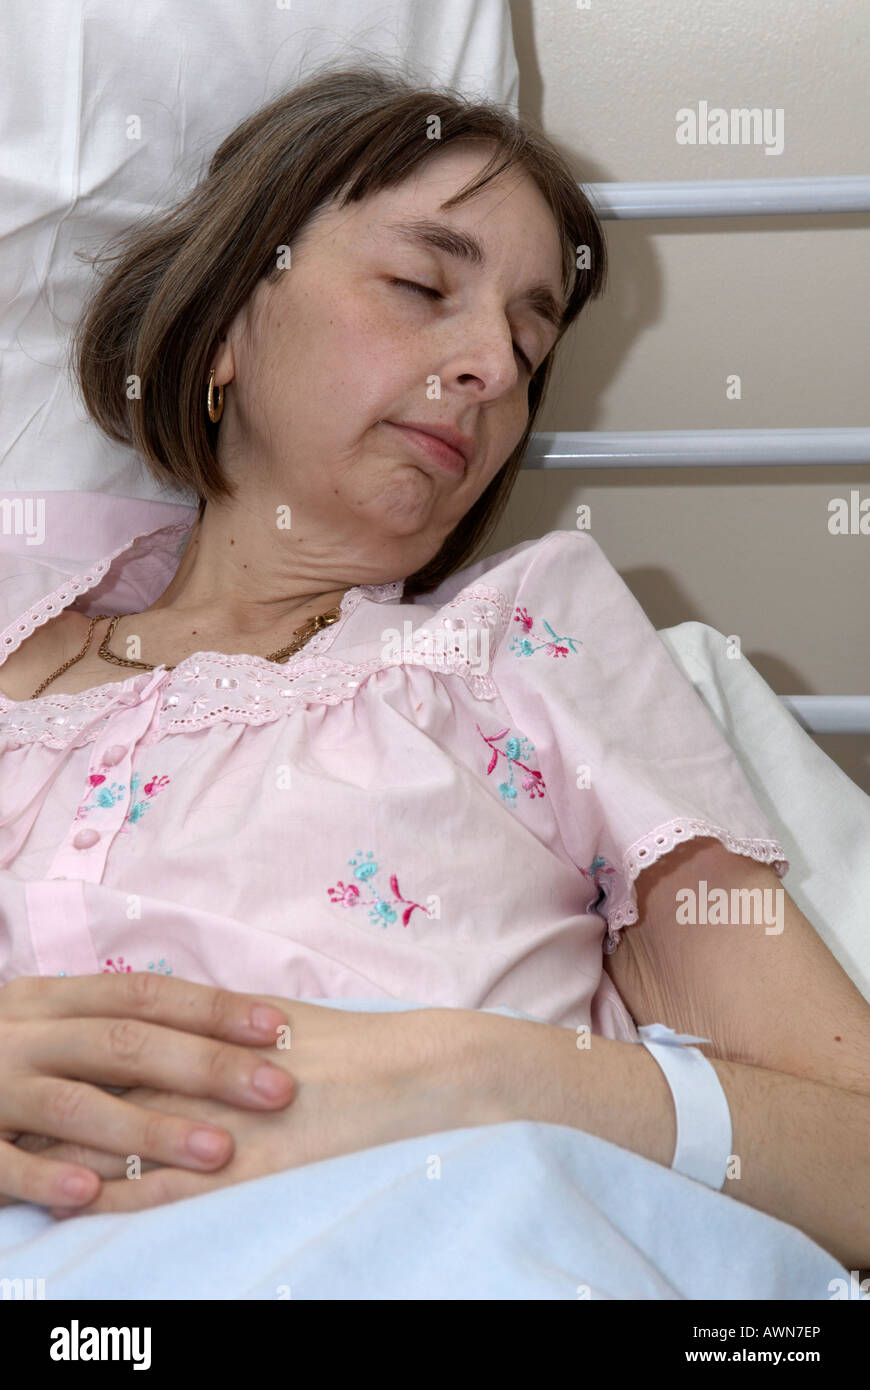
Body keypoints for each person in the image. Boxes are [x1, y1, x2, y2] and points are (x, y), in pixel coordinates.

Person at [0, 65, 867, 1271]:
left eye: (528, 337)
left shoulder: (525, 652)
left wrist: (478, 1072)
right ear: (226, 325)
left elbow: (860, 1158)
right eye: (422, 285)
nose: (496, 372)